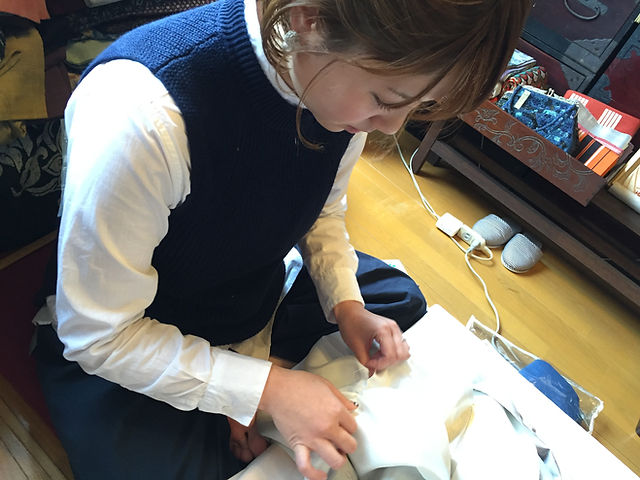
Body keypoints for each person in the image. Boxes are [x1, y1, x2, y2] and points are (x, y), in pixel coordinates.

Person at [33, 0, 531, 479]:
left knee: (397, 303)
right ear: (308, 18)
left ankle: (248, 390)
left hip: (247, 290)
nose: (391, 126)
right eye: (386, 100)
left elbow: (321, 208)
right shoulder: (141, 115)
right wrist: (265, 390)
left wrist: (346, 306)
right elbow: (98, 335)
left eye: (419, 106)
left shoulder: (335, 81)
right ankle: (247, 394)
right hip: (136, 328)